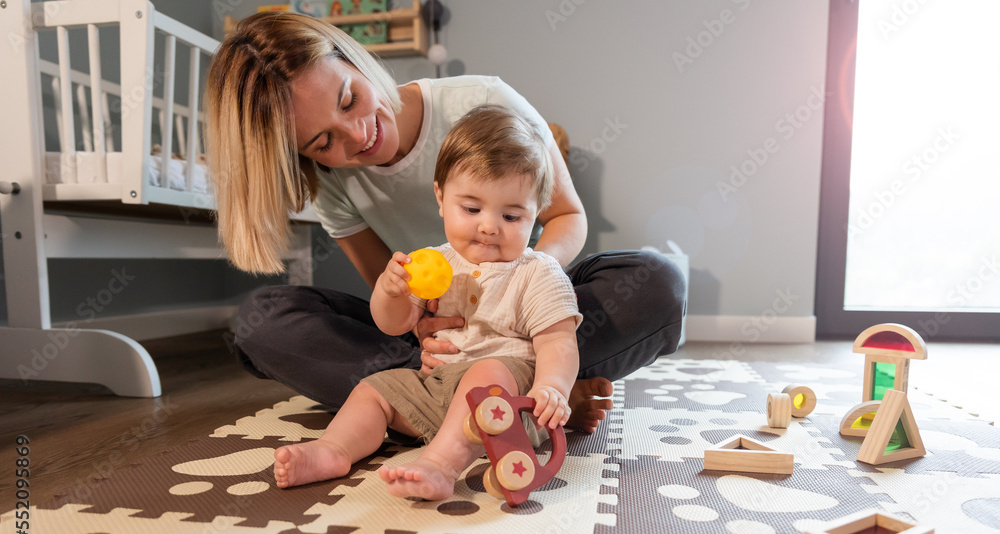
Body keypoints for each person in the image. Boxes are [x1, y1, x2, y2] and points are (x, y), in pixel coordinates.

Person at [205, 12, 686, 435]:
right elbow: (387, 286)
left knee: (657, 283)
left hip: (527, 308)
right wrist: (422, 332)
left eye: (349, 99)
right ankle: (493, 396)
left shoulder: (482, 99)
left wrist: (530, 286)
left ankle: (521, 383)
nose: (357, 136)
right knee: (259, 320)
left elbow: (567, 215)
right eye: (322, 141)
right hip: (435, 343)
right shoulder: (332, 182)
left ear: (353, 59)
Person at [273, 105, 580, 500]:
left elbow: (558, 341)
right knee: (374, 389)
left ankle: (440, 464)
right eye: (471, 209)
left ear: (536, 214)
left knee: (487, 372)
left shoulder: (538, 271)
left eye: (511, 216)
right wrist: (390, 292)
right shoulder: (432, 262)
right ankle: (334, 450)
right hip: (435, 388)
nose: (489, 226)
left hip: (506, 406)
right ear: (440, 197)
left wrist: (552, 387)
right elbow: (394, 325)